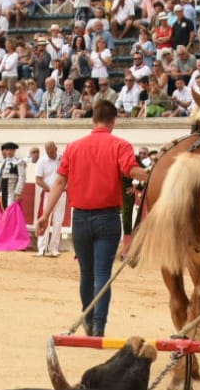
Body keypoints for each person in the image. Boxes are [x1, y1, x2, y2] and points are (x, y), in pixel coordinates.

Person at [33, 101, 148, 337]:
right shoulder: (121, 145)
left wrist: (45, 215)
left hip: (81, 219)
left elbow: (60, 183)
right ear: (113, 121)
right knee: (103, 273)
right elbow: (131, 171)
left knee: (86, 273)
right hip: (107, 218)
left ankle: (87, 315)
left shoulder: (74, 147)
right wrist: (156, 174)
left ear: (93, 119)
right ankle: (98, 326)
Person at [34, 141, 64, 257]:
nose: (50, 154)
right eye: (48, 153)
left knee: (58, 220)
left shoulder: (62, 159)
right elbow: (38, 179)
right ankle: (41, 249)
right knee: (44, 218)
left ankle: (53, 248)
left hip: (61, 194)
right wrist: (50, 189)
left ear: (56, 149)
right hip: (47, 193)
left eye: (52, 152)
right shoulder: (42, 161)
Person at [0, 141, 27, 212]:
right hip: (4, 191)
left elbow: (22, 178)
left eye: (11, 150)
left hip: (12, 192)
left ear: (14, 151)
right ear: (4, 151)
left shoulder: (19, 162)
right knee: (5, 210)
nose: (9, 152)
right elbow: (1, 178)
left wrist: (18, 192)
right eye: (7, 150)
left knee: (10, 211)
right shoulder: (4, 162)